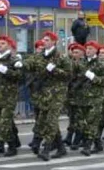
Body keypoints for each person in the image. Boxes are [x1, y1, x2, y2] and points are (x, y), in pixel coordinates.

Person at [28, 31, 71, 161]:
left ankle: (46, 149)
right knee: (48, 121)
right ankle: (61, 148)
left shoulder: (60, 57)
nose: (44, 42)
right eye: (43, 40)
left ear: (53, 42)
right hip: (44, 94)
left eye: (47, 40)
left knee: (51, 121)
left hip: (58, 94)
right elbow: (30, 65)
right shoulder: (40, 56)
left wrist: (55, 70)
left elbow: (69, 75)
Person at [0, 36, 24, 159]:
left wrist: (7, 71)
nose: (0, 45)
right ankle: (13, 144)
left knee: (4, 122)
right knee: (2, 122)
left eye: (3, 43)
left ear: (8, 45)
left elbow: (20, 76)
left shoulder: (14, 59)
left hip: (9, 96)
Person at [75, 41, 104, 157]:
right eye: (87, 49)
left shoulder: (102, 65)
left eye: (90, 49)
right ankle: (98, 143)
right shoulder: (81, 63)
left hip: (96, 98)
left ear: (96, 50)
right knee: (82, 122)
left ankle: (87, 145)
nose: (88, 51)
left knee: (92, 121)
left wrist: (94, 77)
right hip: (83, 97)